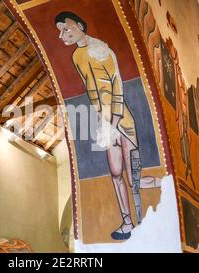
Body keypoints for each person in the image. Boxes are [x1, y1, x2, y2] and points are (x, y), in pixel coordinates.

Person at [55, 11, 142, 240]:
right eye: (60, 31)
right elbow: (91, 92)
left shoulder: (102, 50)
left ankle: (146, 216)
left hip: (122, 119)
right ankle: (127, 222)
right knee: (115, 173)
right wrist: (102, 124)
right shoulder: (76, 57)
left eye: (66, 28)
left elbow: (118, 87)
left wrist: (113, 123)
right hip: (105, 122)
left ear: (81, 25)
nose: (62, 34)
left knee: (134, 178)